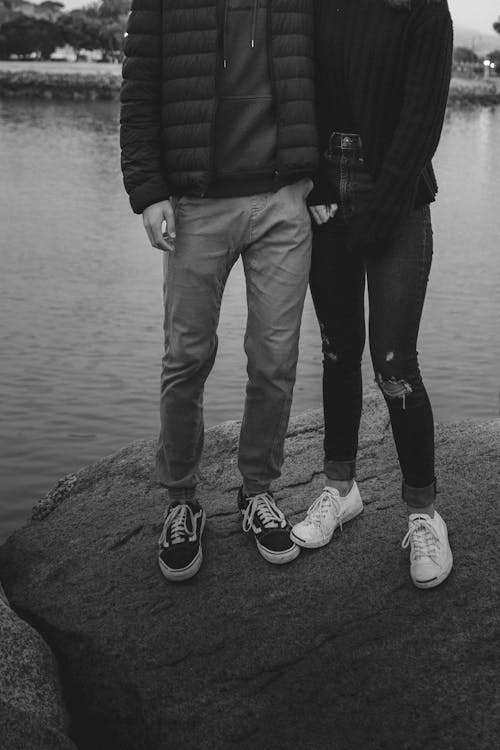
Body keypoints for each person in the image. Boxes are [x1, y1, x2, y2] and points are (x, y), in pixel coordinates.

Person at [120, 0, 318, 581]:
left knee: (276, 358)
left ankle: (257, 492)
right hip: (195, 203)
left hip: (281, 201)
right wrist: (149, 190)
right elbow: (139, 93)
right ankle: (181, 501)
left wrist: (315, 176)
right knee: (186, 356)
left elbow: (327, 75)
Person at [290, 0, 454, 589]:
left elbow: (420, 123)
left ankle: (422, 513)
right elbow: (301, 90)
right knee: (337, 350)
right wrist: (313, 185)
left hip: (400, 202)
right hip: (328, 199)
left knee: (393, 361)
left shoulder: (425, 12)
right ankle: (341, 488)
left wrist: (380, 212)